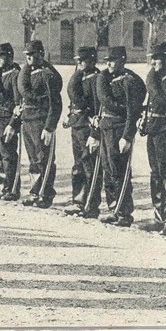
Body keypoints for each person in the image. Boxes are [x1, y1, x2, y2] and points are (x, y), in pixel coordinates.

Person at [91, 46, 146, 227]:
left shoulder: (131, 81)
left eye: (112, 60)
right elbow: (103, 102)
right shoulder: (106, 77)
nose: (108, 64)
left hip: (120, 129)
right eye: (107, 60)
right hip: (107, 127)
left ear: (122, 61)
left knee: (120, 170)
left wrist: (127, 136)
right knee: (108, 169)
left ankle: (124, 213)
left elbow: (133, 111)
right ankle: (113, 208)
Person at [9, 40, 63, 209]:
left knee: (44, 158)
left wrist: (49, 127)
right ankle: (35, 191)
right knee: (33, 158)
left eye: (32, 55)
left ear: (41, 54)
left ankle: (45, 194)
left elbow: (56, 103)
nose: (29, 58)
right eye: (27, 55)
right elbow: (23, 96)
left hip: (41, 120)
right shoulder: (26, 72)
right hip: (28, 120)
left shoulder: (48, 74)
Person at [62, 46, 102, 218]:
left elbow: (98, 107)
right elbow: (72, 95)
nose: (78, 63)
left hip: (88, 126)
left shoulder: (96, 79)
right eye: (77, 60)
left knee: (89, 166)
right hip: (77, 125)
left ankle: (91, 205)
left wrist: (95, 133)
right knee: (78, 165)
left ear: (92, 61)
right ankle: (78, 201)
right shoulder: (81, 76)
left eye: (82, 60)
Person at [139, 41, 166, 234]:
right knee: (156, 172)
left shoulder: (165, 79)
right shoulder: (157, 77)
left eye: (157, 59)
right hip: (155, 129)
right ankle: (159, 217)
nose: (153, 62)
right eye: (152, 59)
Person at [0, 43, 22, 201]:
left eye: (2, 56)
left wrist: (12, 125)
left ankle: (11, 189)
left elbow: (18, 103)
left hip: (6, 119)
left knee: (8, 154)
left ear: (10, 57)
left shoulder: (15, 74)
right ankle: (2, 186)